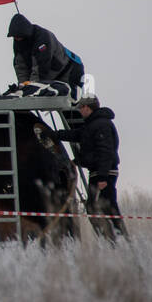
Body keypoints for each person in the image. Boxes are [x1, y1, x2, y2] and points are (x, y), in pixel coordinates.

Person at [54, 96, 125, 239]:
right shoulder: (92, 124)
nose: (80, 111)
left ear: (87, 107)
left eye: (81, 108)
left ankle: (116, 239)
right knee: (95, 206)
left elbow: (105, 151)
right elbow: (78, 136)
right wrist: (54, 134)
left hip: (103, 173)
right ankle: (110, 239)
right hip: (98, 172)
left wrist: (103, 177)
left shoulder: (101, 125)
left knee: (105, 206)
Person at [7, 13, 85, 96]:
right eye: (14, 37)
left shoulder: (42, 38)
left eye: (18, 36)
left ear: (25, 33)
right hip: (51, 77)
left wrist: (31, 87)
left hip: (70, 70)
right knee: (35, 93)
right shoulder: (18, 41)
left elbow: (40, 67)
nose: (16, 39)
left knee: (70, 102)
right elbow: (20, 66)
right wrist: (23, 87)